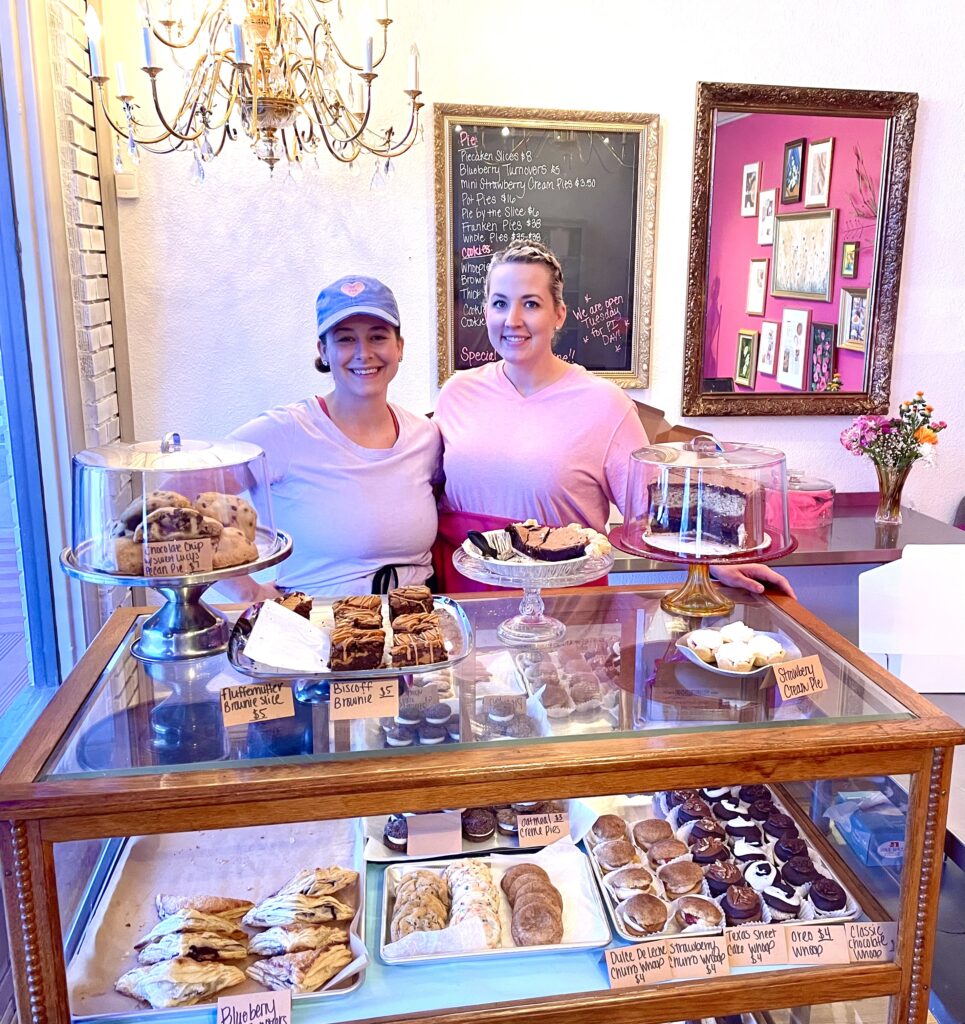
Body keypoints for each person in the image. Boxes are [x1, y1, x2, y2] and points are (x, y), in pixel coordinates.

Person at [432, 239, 794, 598]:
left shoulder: (605, 404)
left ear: (559, 314)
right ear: (485, 312)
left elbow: (649, 512)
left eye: (531, 304)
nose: (512, 320)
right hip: (468, 603)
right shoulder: (456, 394)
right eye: (499, 303)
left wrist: (716, 559)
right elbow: (424, 493)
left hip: (566, 613)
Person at [222, 276, 441, 601]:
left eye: (378, 337)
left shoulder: (425, 437)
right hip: (315, 633)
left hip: (415, 632)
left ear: (399, 347)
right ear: (323, 351)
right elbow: (175, 503)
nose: (364, 353)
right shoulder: (284, 432)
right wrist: (246, 592)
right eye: (346, 339)